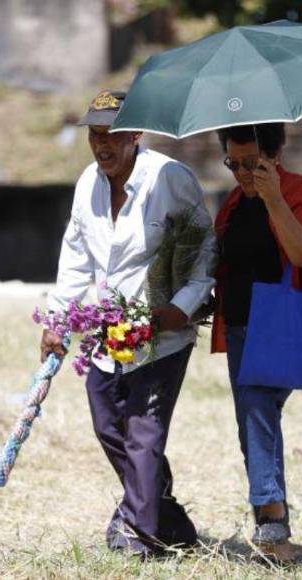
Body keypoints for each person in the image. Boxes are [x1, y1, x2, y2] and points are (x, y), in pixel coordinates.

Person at [41, 90, 217, 558]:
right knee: (108, 424)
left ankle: (139, 537)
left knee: (143, 434)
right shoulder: (87, 184)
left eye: (111, 135)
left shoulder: (168, 178)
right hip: (108, 333)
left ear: (135, 134)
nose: (102, 145)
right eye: (94, 136)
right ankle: (169, 521)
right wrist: (57, 319)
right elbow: (76, 259)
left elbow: (203, 249)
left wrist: (179, 310)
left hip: (163, 332)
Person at [211, 123, 302, 563]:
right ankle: (275, 532)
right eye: (233, 163)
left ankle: (271, 520)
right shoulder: (233, 203)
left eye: (251, 163)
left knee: (257, 409)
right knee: (254, 427)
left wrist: (273, 197)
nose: (242, 173)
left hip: (279, 326)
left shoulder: (299, 191)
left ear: (275, 155)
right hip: (239, 328)